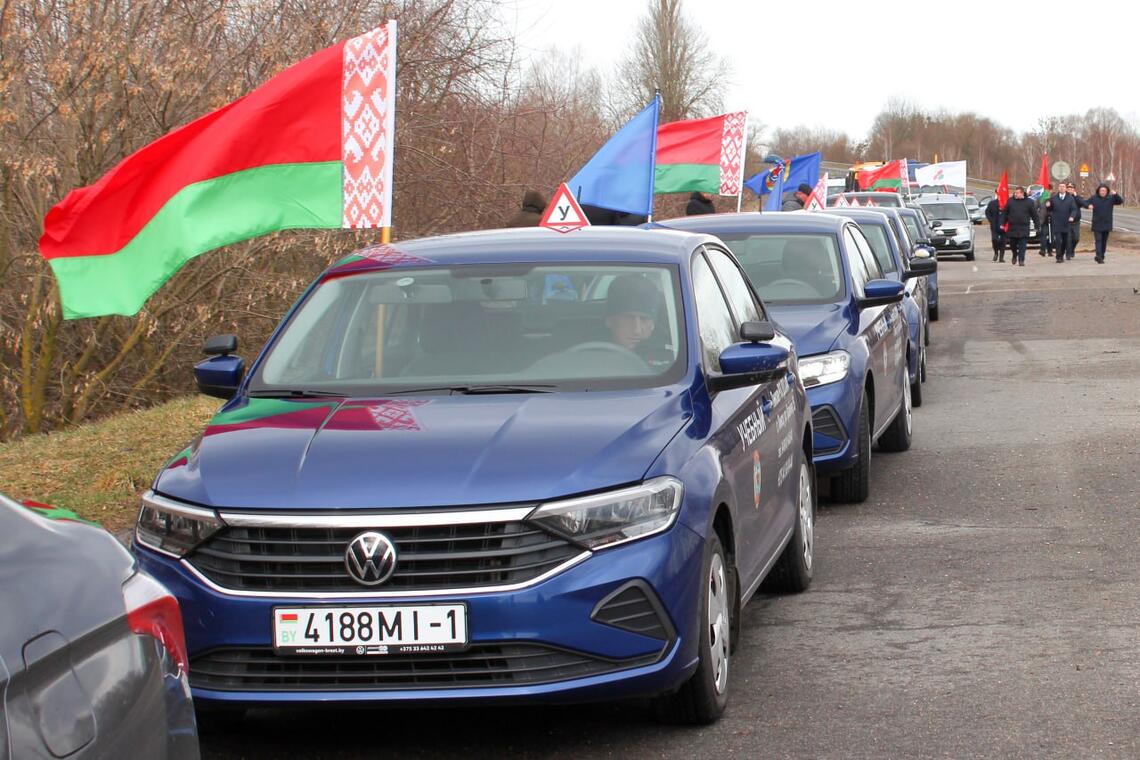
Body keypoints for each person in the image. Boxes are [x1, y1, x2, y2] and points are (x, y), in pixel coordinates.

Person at [605, 275, 660, 353]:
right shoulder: (589, 354)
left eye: (644, 319)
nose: (637, 330)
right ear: (609, 320)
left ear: (653, 324)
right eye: (629, 318)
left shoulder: (672, 353)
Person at [1081, 183, 1125, 263]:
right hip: (1097, 222)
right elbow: (1084, 203)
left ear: (1107, 191)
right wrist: (1088, 206)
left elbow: (1120, 201)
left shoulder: (1111, 198)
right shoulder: (1094, 198)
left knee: (1104, 241)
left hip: (1107, 223)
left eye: (1104, 190)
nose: (1103, 192)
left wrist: (1115, 194)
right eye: (1101, 190)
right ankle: (1098, 256)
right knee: (1098, 240)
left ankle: (1102, 255)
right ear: (1098, 191)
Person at [1001, 186, 1037, 267]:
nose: (1015, 194)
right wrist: (1002, 223)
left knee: (1022, 246)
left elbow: (1034, 215)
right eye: (1015, 193)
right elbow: (1005, 213)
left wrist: (1037, 225)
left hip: (1024, 227)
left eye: (1017, 193)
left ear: (1022, 193)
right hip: (1013, 227)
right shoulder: (1010, 201)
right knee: (1012, 244)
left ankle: (1021, 260)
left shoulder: (1029, 202)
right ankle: (1014, 254)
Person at [1047, 183, 1078, 263]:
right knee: (1058, 240)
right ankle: (1058, 256)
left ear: (1066, 189)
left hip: (1066, 222)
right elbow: (1050, 209)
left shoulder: (1070, 198)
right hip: (1057, 222)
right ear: (1058, 188)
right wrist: (1048, 206)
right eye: (1060, 186)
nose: (1061, 188)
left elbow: (1074, 209)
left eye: (1063, 187)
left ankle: (1061, 253)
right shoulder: (1054, 198)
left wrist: (1072, 216)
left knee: (1065, 240)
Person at [984, 195, 1006, 262]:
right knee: (994, 240)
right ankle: (996, 253)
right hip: (994, 226)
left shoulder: (1006, 203)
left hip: (1004, 226)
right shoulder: (992, 203)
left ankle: (1001, 257)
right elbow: (987, 212)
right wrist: (991, 220)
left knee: (1003, 242)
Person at [1066, 182, 1081, 259]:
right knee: (1068, 238)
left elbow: (1082, 203)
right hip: (1066, 221)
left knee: (1076, 238)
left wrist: (1076, 196)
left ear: (1074, 190)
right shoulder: (1064, 197)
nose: (1070, 190)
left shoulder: (1077, 197)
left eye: (1071, 188)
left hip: (1076, 221)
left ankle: (1072, 249)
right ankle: (1068, 254)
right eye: (1068, 188)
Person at [1038, 184, 1053, 257]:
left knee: (1051, 235)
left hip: (1051, 219)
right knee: (1043, 235)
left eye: (1048, 191)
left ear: (1051, 190)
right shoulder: (1041, 198)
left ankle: (1050, 251)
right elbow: (1035, 207)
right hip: (1043, 219)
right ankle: (1043, 250)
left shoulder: (1053, 198)